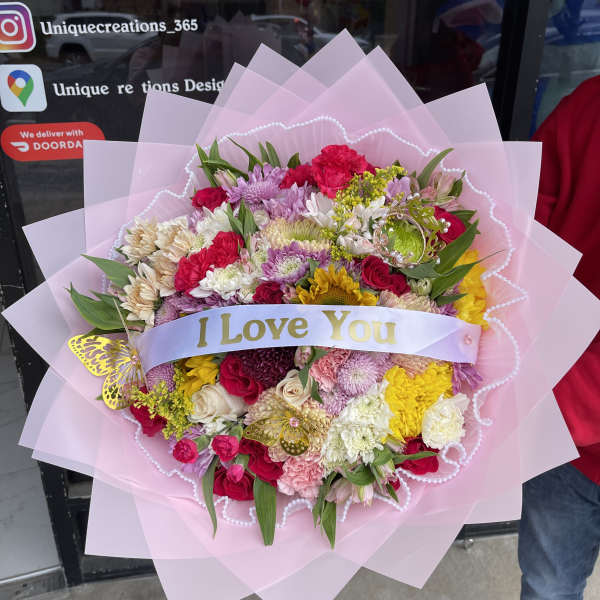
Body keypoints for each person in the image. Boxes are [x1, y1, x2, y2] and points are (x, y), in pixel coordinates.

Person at [518, 76, 600, 599]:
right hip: (563, 439)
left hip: (555, 411)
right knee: (547, 584)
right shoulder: (590, 105)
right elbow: (521, 218)